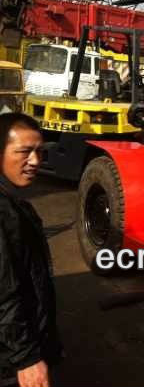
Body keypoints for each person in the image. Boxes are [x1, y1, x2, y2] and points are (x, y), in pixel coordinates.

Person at [0, 113, 62, 387]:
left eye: (39, 151)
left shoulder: (13, 202)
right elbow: (4, 293)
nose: (35, 161)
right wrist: (26, 359)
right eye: (24, 152)